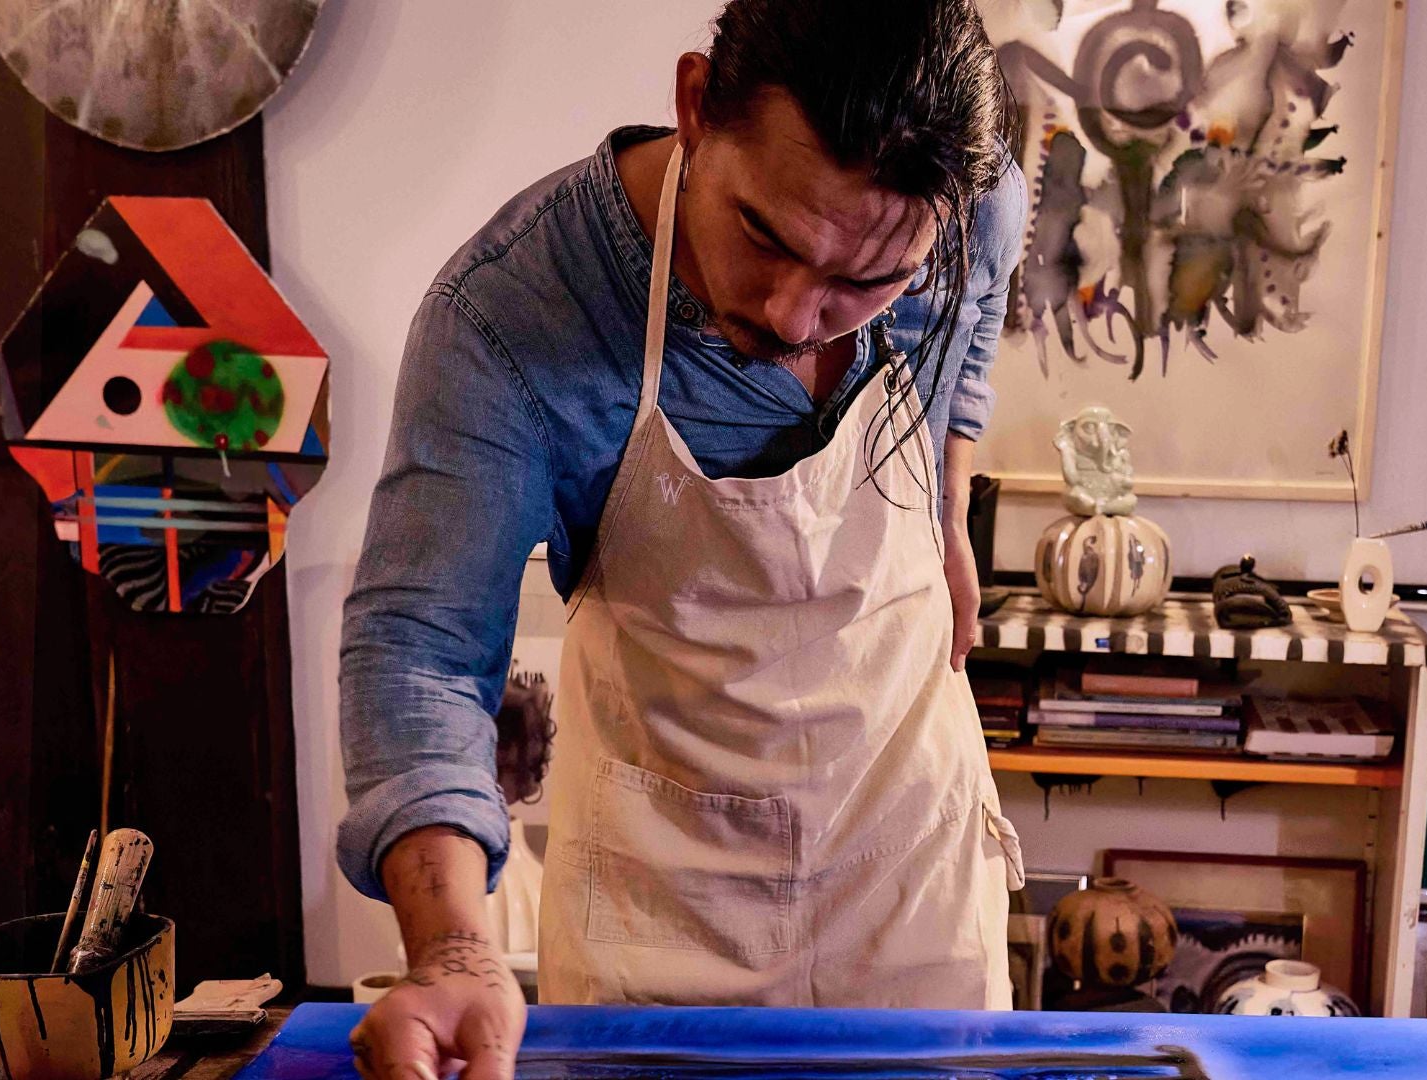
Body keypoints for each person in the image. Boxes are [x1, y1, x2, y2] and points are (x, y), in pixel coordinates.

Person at [337, 2, 1027, 1077]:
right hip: (663, 924)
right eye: (766, 236)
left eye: (867, 281)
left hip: (910, 879)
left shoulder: (974, 209)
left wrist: (948, 488)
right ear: (696, 106)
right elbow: (419, 648)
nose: (800, 316)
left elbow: (978, 295)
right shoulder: (512, 318)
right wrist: (455, 950)